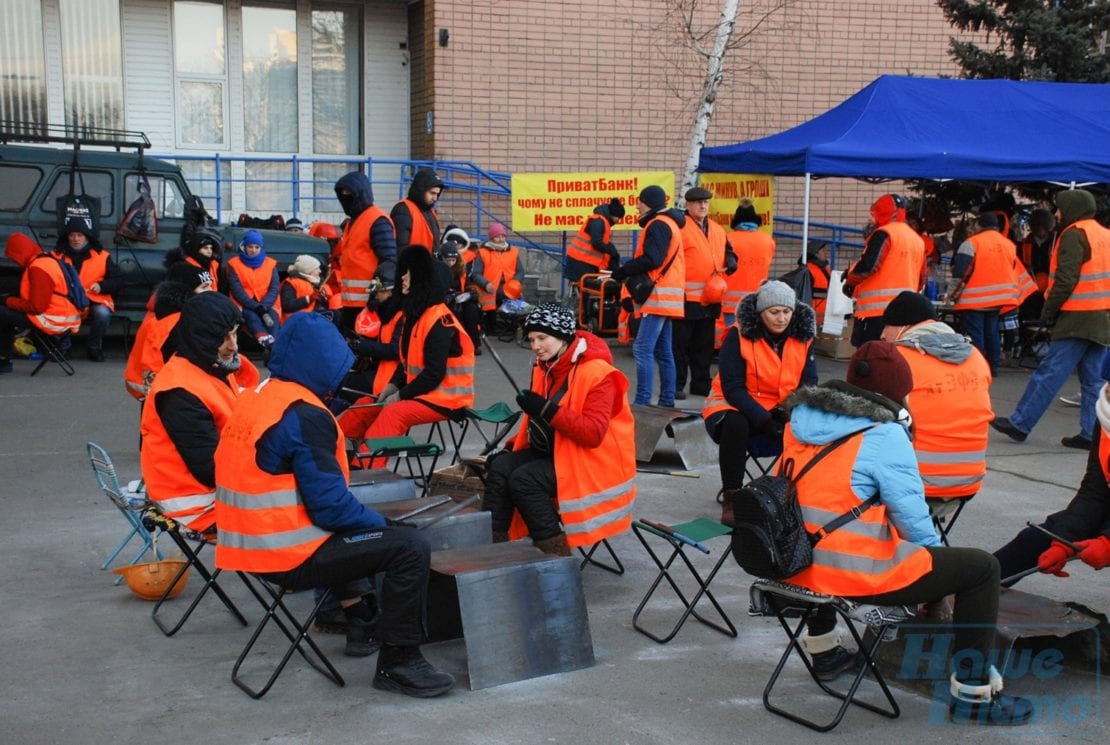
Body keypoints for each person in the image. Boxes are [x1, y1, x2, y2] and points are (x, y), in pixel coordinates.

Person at [778, 341, 1033, 726]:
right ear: (897, 395)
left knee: (831, 531)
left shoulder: (799, 422)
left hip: (793, 563)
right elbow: (914, 523)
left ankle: (824, 652)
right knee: (980, 569)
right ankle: (973, 694)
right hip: (848, 573)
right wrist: (935, 582)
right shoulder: (884, 435)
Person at [213, 311, 455, 697]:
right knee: (408, 546)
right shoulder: (306, 415)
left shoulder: (259, 397)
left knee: (359, 532)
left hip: (242, 543)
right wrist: (385, 526)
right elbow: (331, 509)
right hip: (285, 554)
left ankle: (354, 618)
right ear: (322, 362)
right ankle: (400, 663)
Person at [483, 304, 636, 556]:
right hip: (559, 451)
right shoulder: (545, 367)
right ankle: (493, 551)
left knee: (524, 480)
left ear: (564, 336)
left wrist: (545, 409)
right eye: (531, 339)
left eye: (542, 338)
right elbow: (538, 426)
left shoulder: (600, 374)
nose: (535, 346)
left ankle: (557, 558)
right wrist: (511, 447)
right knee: (500, 467)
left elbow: (592, 434)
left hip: (595, 461)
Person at [991, 189, 1110, 450]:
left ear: (1072, 208)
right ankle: (1091, 434)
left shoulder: (1074, 234)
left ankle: (1020, 423)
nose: (1056, 214)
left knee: (1049, 374)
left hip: (1077, 318)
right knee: (1093, 381)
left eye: (1059, 208)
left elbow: (1066, 280)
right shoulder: (1104, 234)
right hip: (1102, 318)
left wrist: (1048, 313)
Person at [341, 246, 475, 466]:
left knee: (393, 414)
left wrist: (400, 395)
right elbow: (407, 363)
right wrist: (392, 387)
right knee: (365, 404)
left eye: (408, 274)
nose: (402, 277)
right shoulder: (417, 316)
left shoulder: (440, 322)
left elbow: (433, 374)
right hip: (424, 394)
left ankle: (364, 469)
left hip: (446, 401)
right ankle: (330, 452)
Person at [704, 280, 817, 524]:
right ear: (760, 312)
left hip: (781, 406)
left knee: (812, 422)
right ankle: (732, 496)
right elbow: (732, 388)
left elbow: (809, 385)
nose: (781, 318)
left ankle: (791, 495)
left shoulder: (804, 337)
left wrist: (791, 412)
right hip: (732, 404)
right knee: (735, 424)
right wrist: (764, 420)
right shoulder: (738, 335)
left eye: (787, 312)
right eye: (774, 312)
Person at [994, 354, 1110, 582]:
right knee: (1032, 541)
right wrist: (1062, 540)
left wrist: (1107, 542)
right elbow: (1094, 491)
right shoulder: (1105, 414)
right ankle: (965, 594)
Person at [139, 292, 249, 532]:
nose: (233, 345)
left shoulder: (206, 363)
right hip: (196, 506)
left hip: (205, 490)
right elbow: (212, 469)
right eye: (223, 337)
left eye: (234, 333)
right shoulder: (180, 391)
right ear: (202, 339)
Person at [881, 291, 993, 515]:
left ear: (904, 326)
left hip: (915, 486)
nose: (883, 334)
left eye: (887, 325)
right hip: (968, 482)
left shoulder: (899, 359)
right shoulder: (976, 357)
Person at [610, 185, 686, 407]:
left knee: (643, 349)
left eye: (640, 201)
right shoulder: (670, 223)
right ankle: (666, 401)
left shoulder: (658, 225)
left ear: (649, 203)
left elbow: (653, 259)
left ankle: (642, 402)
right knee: (664, 352)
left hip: (657, 296)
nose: (636, 205)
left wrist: (624, 270)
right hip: (666, 296)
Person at [950, 212, 1033, 374]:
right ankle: (993, 367)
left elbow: (961, 273)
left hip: (974, 299)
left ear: (979, 225)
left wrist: (952, 295)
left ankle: (979, 368)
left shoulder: (971, 243)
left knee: (976, 334)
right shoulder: (1009, 245)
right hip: (999, 299)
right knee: (992, 333)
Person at [674, 186, 737, 400]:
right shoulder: (679, 227)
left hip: (711, 297)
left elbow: (728, 250)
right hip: (685, 298)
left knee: (704, 346)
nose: (703, 206)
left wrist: (731, 259)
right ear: (688, 205)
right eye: (698, 202)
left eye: (706, 202)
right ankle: (676, 384)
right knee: (680, 346)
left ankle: (700, 384)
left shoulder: (718, 229)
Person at [843, 194, 926, 347]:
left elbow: (868, 266)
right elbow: (921, 279)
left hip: (876, 313)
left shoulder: (884, 234)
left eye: (874, 215)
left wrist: (850, 281)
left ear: (881, 213)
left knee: (869, 357)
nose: (872, 220)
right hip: (905, 312)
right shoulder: (917, 240)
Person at [0, 233, 83, 373]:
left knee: (2, 313)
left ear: (20, 253)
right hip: (63, 315)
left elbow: (36, 307)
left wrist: (7, 300)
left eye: (14, 257)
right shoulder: (46, 260)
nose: (16, 262)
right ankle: (3, 360)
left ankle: (4, 360)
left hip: (53, 320)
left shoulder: (38, 268)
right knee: (5, 314)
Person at [124, 262, 207, 402]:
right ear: (186, 290)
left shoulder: (175, 315)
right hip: (161, 394)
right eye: (204, 287)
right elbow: (152, 360)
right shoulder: (169, 321)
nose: (211, 290)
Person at [334, 171, 398, 331]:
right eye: (342, 194)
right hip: (353, 303)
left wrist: (375, 296)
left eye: (349, 194)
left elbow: (389, 261)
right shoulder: (354, 221)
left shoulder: (377, 220)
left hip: (370, 303)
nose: (345, 198)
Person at [55, 218, 122, 361]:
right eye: (72, 235)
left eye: (80, 235)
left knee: (103, 314)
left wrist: (102, 286)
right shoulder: (58, 256)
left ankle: (94, 347)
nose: (75, 239)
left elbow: (117, 280)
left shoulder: (102, 256)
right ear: (67, 237)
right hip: (67, 299)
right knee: (55, 311)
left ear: (87, 237)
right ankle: (64, 348)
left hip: (94, 298)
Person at [719, 198, 775, 348]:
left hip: (730, 300)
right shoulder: (767, 240)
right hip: (757, 298)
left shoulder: (728, 239)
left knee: (732, 337)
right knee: (753, 337)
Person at [225, 230, 280, 348]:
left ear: (261, 248)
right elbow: (237, 291)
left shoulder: (271, 264)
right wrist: (257, 307)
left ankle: (272, 349)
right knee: (251, 316)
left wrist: (264, 306)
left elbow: (274, 288)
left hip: (268, 303)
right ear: (244, 246)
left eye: (257, 247)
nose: (253, 250)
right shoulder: (234, 264)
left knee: (273, 320)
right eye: (250, 246)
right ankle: (265, 339)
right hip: (244, 303)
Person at [472, 222, 524, 331]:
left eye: (503, 236)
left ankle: (514, 325)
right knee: (492, 298)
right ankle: (491, 324)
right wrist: (486, 284)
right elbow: (475, 274)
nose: (501, 239)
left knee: (515, 298)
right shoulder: (482, 252)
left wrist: (515, 282)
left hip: (509, 286)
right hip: (488, 287)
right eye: (497, 236)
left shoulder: (514, 251)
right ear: (491, 238)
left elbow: (520, 271)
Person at [565, 197, 626, 282]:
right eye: (618, 218)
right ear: (613, 214)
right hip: (580, 261)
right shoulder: (599, 221)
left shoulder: (601, 221)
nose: (618, 221)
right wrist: (610, 250)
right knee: (587, 289)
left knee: (587, 289)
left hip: (581, 260)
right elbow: (597, 243)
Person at [437, 241, 481, 350]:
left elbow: (468, 284)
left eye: (453, 260)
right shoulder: (437, 270)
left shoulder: (460, 270)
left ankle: (473, 343)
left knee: (472, 310)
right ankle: (455, 343)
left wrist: (471, 293)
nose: (451, 263)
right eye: (448, 260)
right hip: (444, 300)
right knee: (454, 311)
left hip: (460, 299)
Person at [391, 167, 445, 250]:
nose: (435, 198)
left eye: (437, 194)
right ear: (421, 190)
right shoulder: (403, 210)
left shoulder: (430, 211)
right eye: (432, 193)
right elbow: (400, 248)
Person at [167, 227, 222, 292]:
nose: (209, 251)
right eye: (205, 248)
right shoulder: (185, 268)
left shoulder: (213, 265)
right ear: (196, 249)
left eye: (211, 248)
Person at [279, 254, 330, 323]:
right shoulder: (291, 283)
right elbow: (287, 305)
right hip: (298, 320)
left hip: (314, 316)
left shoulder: (318, 282)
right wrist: (308, 299)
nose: (320, 271)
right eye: (316, 268)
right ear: (308, 270)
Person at [802, 241, 832, 327]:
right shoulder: (807, 270)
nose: (826, 253)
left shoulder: (824, 268)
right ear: (816, 254)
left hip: (826, 318)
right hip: (813, 318)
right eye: (823, 251)